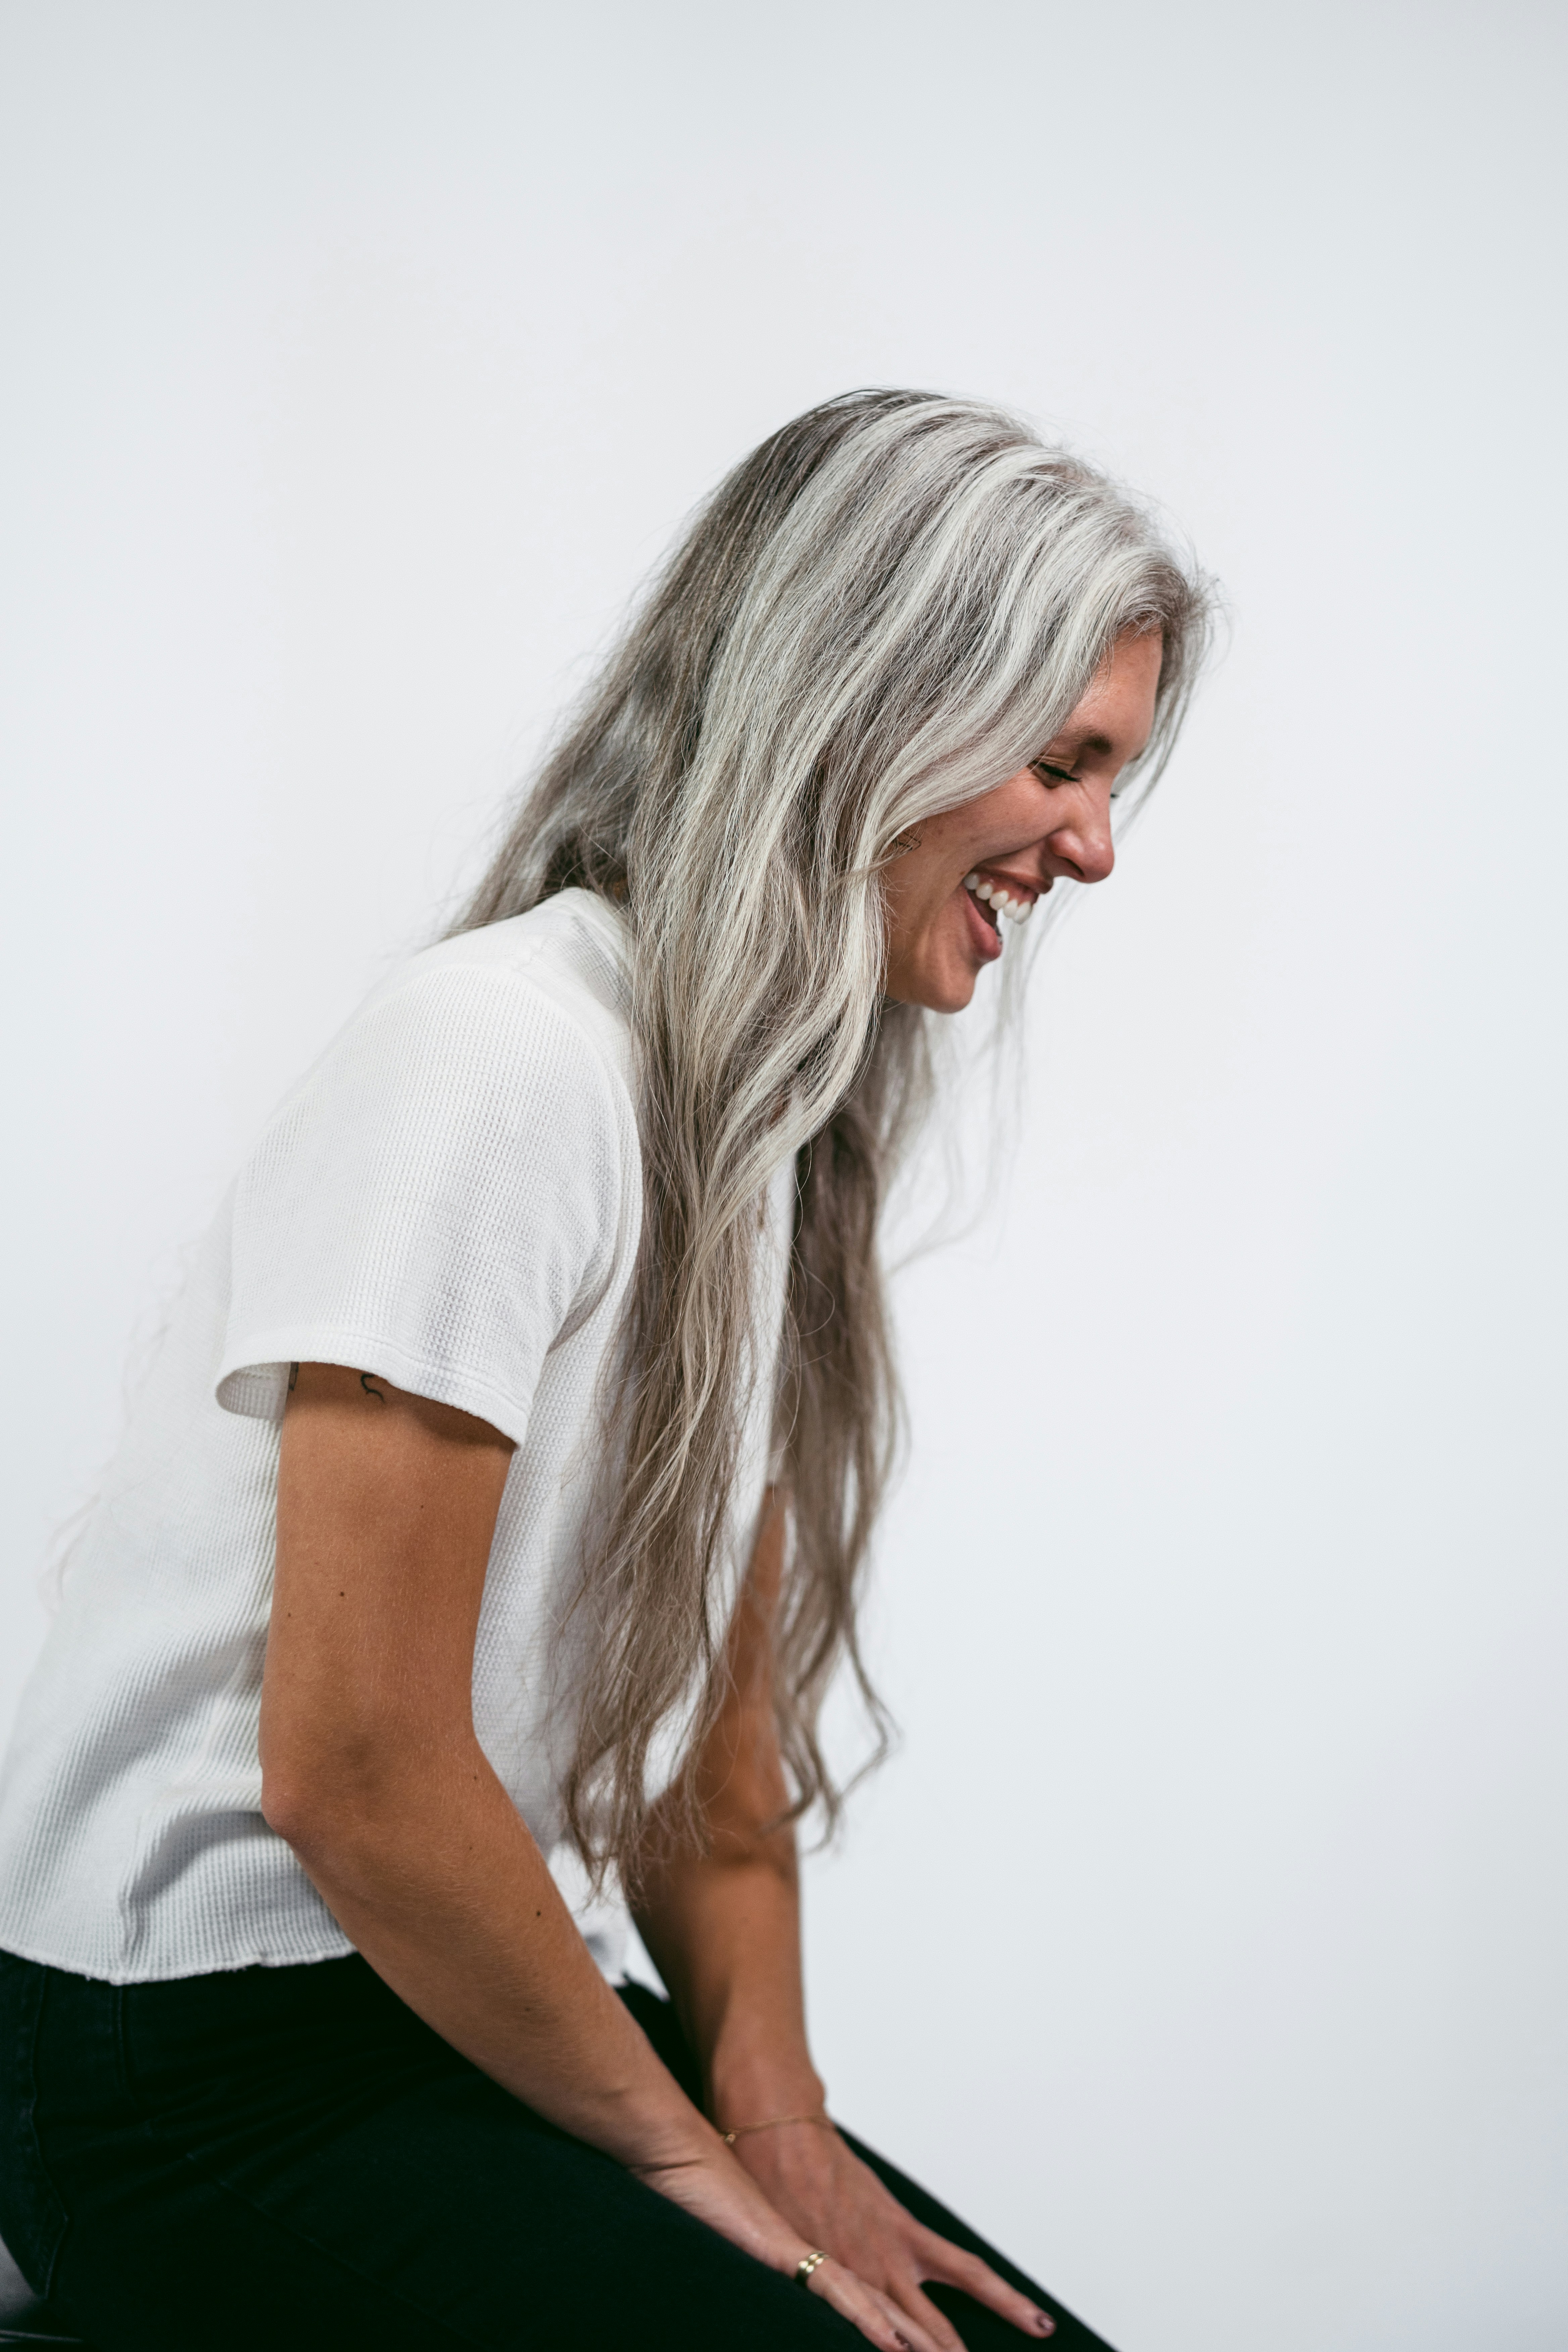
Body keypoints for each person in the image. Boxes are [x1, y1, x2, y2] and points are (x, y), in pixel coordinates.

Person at [0, 390, 1211, 2351]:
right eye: (1065, 762)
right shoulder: (503, 1062)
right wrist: (685, 2174)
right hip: (190, 2064)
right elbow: (360, 1776)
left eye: (1111, 781)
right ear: (873, 705)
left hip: (461, 1999)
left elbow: (706, 1780)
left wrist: (786, 2129)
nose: (1091, 846)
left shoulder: (758, 1140)